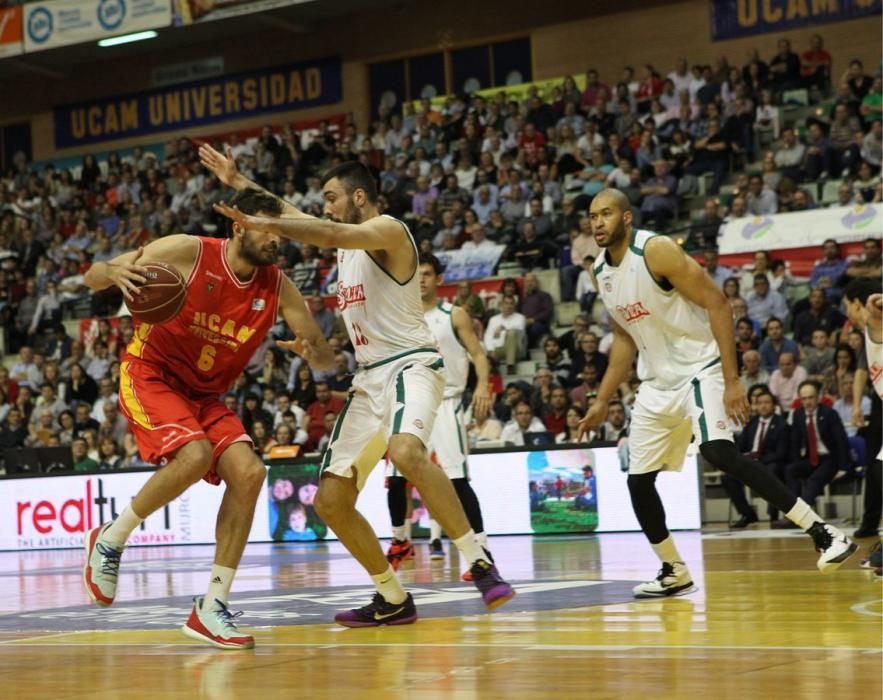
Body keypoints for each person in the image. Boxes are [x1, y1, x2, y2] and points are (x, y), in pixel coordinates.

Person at [208, 149, 514, 626]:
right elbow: (293, 215)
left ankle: (478, 560)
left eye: (331, 198)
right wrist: (238, 179)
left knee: (407, 452)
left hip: (412, 364)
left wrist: (256, 222)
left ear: (358, 197)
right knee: (329, 501)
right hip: (370, 378)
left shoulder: (389, 230)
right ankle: (392, 597)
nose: (324, 207)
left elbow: (319, 228)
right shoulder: (346, 246)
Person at [81, 186, 335, 650]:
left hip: (204, 395)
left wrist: (312, 353)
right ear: (238, 226)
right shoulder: (188, 251)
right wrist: (111, 271)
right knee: (195, 454)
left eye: (281, 233)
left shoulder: (278, 286)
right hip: (151, 373)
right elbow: (92, 277)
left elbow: (323, 358)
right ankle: (111, 538)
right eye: (267, 229)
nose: (277, 241)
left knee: (251, 472)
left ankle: (210, 607)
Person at [579, 189, 855, 598]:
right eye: (592, 216)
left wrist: (731, 379)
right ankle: (673, 569)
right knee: (638, 483)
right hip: (656, 382)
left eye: (606, 214)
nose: (597, 222)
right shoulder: (599, 269)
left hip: (699, 367)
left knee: (718, 451)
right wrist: (602, 398)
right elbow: (623, 337)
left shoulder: (656, 251)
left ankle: (824, 532)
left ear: (626, 218)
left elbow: (719, 304)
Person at [385, 253, 495, 579]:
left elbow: (478, 353)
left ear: (439, 280)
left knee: (457, 479)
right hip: (410, 402)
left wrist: (484, 386)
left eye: (428, 274)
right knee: (396, 477)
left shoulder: (454, 314)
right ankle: (400, 539)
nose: (421, 280)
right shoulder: (400, 316)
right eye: (416, 274)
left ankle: (482, 549)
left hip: (447, 401)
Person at [842, 278, 883, 539]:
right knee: (878, 466)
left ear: (857, 304)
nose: (845, 311)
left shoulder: (875, 320)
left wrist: (876, 303)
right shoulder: (867, 334)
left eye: (847, 305)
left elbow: (877, 307)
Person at [724, 388, 790, 527]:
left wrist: (758, 460)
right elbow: (740, 446)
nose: (763, 406)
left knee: (774, 470)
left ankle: (773, 514)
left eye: (767, 402)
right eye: (760, 403)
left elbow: (781, 453)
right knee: (728, 477)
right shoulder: (751, 423)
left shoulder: (782, 425)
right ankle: (747, 514)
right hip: (750, 462)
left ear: (774, 405)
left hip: (768, 462)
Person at [783, 381, 850, 515]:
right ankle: (792, 510)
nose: (808, 402)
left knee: (814, 480)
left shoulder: (829, 413)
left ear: (818, 397)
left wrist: (843, 467)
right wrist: (796, 462)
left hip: (830, 458)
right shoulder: (798, 415)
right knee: (790, 470)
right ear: (800, 400)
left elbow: (841, 441)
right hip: (811, 458)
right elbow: (795, 442)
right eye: (804, 399)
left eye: (811, 397)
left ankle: (801, 517)